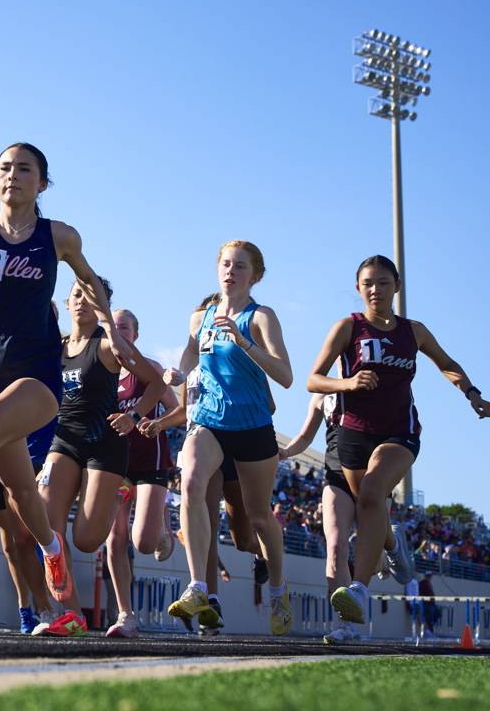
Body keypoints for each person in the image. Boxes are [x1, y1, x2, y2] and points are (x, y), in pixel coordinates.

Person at [0, 142, 135, 604]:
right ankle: (52, 546)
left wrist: (112, 331)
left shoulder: (59, 236)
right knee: (21, 488)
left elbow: (91, 280)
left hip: (38, 374)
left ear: (41, 183)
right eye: (4, 168)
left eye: (25, 169)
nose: (13, 175)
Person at [307, 255, 490, 624]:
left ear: (397, 286)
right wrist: (347, 382)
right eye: (368, 283)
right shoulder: (348, 327)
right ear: (359, 288)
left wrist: (472, 393)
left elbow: (446, 363)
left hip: (399, 432)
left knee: (374, 493)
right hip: (353, 433)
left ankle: (358, 591)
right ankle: (393, 545)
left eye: (383, 282)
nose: (375, 290)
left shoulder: (414, 331)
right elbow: (314, 379)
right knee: (370, 505)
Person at [162, 240, 295, 636]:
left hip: (252, 426)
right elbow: (190, 353)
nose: (230, 272)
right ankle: (198, 587)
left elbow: (286, 377)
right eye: (225, 264)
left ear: (255, 275)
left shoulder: (261, 318)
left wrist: (243, 341)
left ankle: (277, 589)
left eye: (239, 266)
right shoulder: (199, 317)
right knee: (191, 482)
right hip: (208, 421)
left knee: (258, 517)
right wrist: (181, 374)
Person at [35, 282, 161, 637]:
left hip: (105, 444)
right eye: (76, 295)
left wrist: (134, 416)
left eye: (90, 298)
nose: (81, 302)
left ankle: (114, 495)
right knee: (48, 529)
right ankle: (71, 615)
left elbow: (153, 382)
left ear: (101, 306)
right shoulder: (56, 348)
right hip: (63, 441)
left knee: (88, 539)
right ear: (67, 301)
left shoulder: (108, 345)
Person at [280, 392, 415, 643]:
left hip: (372, 477)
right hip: (336, 476)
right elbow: (305, 435)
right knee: (335, 547)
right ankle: (345, 624)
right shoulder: (321, 396)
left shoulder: (373, 384)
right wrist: (286, 452)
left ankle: (390, 547)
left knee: (373, 564)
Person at [104, 308, 178, 638]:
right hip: (114, 464)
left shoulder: (150, 370)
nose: (118, 332)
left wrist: (157, 422)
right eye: (113, 326)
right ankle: (125, 614)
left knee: (143, 543)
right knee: (114, 538)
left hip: (150, 459)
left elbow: (178, 410)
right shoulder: (100, 371)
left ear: (135, 335)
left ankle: (163, 529)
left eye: (124, 328)